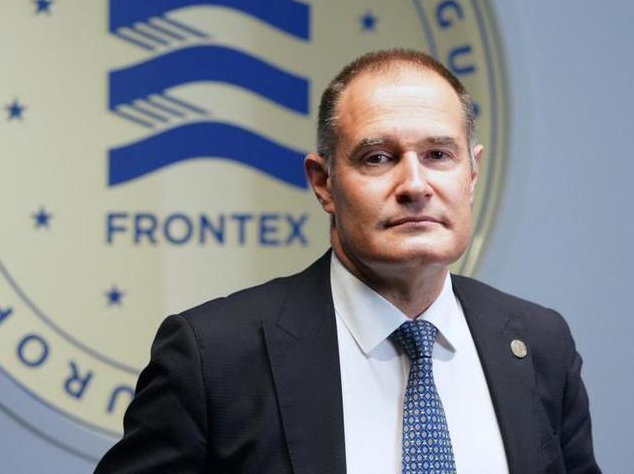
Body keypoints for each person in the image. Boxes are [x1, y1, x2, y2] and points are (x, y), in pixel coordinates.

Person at [95, 49, 600, 473]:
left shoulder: (540, 345)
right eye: (378, 157)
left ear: (471, 174)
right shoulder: (214, 359)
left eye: (439, 155)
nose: (415, 185)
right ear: (324, 183)